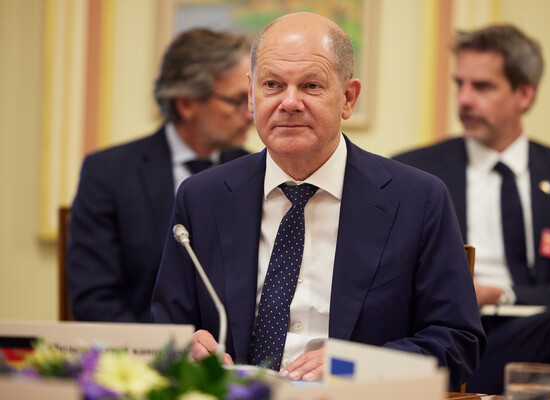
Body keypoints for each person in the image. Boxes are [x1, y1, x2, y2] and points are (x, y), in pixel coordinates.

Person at [152, 12, 485, 389]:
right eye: (272, 85)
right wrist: (186, 348)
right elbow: (168, 330)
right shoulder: (202, 197)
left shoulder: (417, 199)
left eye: (311, 86)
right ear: (251, 94)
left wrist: (354, 366)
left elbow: (458, 341)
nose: (289, 102)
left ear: (348, 98)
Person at [394, 25, 550, 399]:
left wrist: (500, 293)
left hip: (544, 331)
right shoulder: (415, 171)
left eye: (482, 87)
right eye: (460, 84)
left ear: (524, 94)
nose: (464, 100)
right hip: (454, 339)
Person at [68, 28, 253, 323]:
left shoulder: (253, 171)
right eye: (238, 100)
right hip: (141, 346)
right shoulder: (108, 173)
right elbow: (95, 299)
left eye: (253, 98)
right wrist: (159, 349)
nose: (251, 113)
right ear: (187, 104)